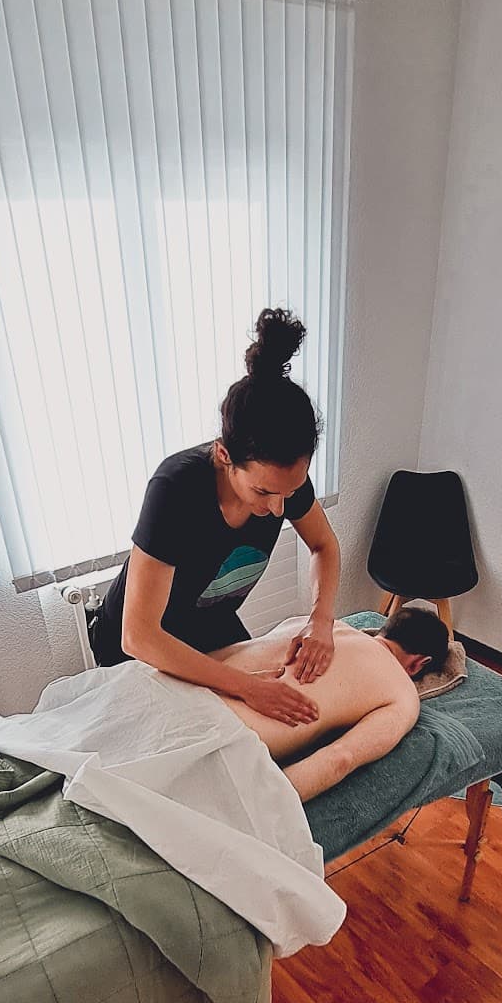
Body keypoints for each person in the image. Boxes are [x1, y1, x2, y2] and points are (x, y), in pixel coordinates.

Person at [88, 308, 341, 729]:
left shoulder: (283, 483)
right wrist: (244, 685)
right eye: (263, 492)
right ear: (225, 457)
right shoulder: (176, 489)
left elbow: (324, 546)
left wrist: (321, 620)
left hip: (209, 624)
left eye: (291, 492)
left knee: (263, 725)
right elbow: (139, 635)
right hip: (138, 646)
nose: (279, 509)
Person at [212, 605, 450, 801]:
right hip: (217, 745)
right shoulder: (403, 694)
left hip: (183, 695)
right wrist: (255, 808)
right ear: (420, 663)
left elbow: (218, 656)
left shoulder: (307, 624)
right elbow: (339, 759)